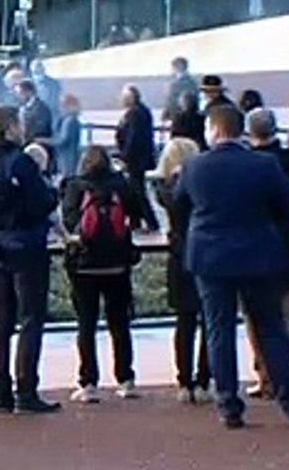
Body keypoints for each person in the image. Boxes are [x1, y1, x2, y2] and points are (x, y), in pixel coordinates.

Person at [172, 104, 289, 429]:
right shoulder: (262, 165)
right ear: (239, 130)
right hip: (257, 254)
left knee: (218, 329)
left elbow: (176, 205)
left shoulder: (194, 166)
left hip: (209, 257)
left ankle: (228, 405)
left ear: (213, 129)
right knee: (271, 328)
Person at [0, 106, 60, 414]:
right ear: (10, 128)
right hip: (27, 245)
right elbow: (42, 201)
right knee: (31, 318)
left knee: (3, 320)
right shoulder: (21, 162)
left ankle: (0, 389)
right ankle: (26, 389)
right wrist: (52, 192)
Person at [60, 145, 145, 403]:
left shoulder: (75, 186)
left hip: (84, 264)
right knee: (119, 322)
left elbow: (68, 219)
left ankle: (88, 383)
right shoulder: (120, 184)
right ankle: (126, 379)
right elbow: (138, 211)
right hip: (117, 262)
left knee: (86, 324)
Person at [244, 108, 289, 400]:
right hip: (287, 247)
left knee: (254, 317)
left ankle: (265, 376)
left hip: (253, 250)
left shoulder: (246, 163)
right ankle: (288, 375)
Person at [154, 138, 211, 404]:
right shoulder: (203, 182)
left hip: (180, 254)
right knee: (209, 319)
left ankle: (184, 380)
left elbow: (173, 208)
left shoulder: (164, 187)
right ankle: (203, 379)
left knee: (184, 321)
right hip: (206, 252)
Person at [115, 84, 159, 232]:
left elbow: (133, 138)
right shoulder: (137, 111)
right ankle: (136, 222)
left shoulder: (136, 113)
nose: (123, 99)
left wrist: (124, 157)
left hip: (136, 160)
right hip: (136, 159)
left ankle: (151, 223)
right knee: (134, 191)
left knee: (138, 192)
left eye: (126, 97)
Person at [50, 94, 82, 179]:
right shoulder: (66, 119)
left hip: (68, 157)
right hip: (64, 156)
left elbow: (63, 140)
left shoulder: (70, 121)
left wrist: (46, 141)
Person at [164, 57, 199, 122]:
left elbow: (171, 101)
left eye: (174, 67)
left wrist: (166, 114)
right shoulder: (193, 82)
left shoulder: (179, 83)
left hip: (179, 116)